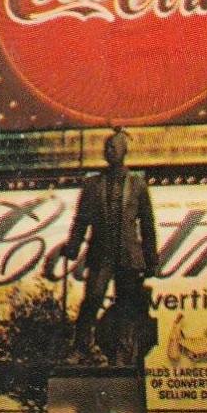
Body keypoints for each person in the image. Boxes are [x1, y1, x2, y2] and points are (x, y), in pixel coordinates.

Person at [63, 128, 159, 366]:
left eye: (114, 147)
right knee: (92, 299)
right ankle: (82, 346)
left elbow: (147, 224)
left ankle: (122, 353)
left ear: (125, 152)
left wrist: (151, 260)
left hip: (128, 255)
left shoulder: (138, 185)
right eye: (107, 148)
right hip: (101, 253)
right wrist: (73, 246)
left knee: (126, 306)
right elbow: (81, 219)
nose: (110, 152)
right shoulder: (92, 184)